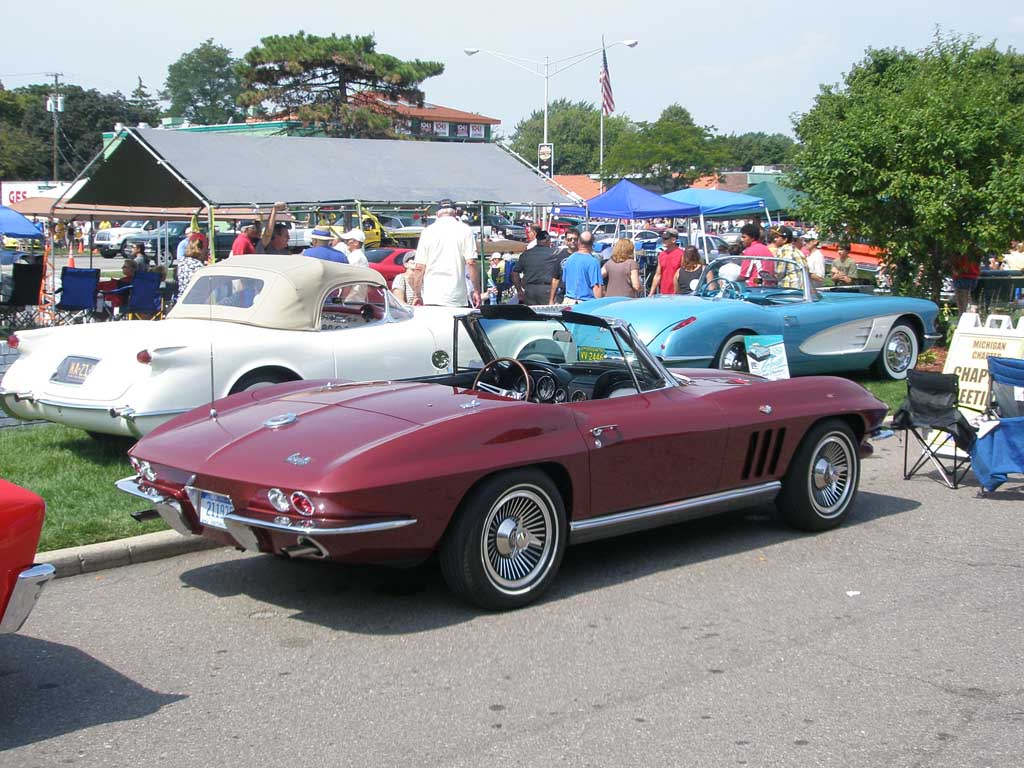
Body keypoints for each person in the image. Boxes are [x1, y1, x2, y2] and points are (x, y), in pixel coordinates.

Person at [408, 198, 480, 307]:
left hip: (432, 296)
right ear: (455, 213)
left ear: (437, 214)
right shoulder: (465, 230)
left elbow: (419, 267)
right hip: (457, 296)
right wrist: (476, 291)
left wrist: (417, 295)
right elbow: (471, 263)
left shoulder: (427, 232)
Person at [511, 229, 560, 306]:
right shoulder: (555, 253)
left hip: (529, 291)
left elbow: (514, 273)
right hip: (547, 290)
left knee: (531, 316)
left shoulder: (526, 254)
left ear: (537, 240)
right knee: (547, 315)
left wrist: (519, 290)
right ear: (548, 240)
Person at [550, 239, 604, 304]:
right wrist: (600, 304)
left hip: (568, 302)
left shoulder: (569, 259)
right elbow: (596, 287)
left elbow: (564, 280)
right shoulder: (593, 262)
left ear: (579, 243)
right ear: (592, 244)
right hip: (585, 303)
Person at [648, 228, 684, 296]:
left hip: (677, 294)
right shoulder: (661, 255)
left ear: (673, 240)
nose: (663, 241)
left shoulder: (682, 254)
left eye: (666, 239)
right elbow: (658, 275)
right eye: (663, 238)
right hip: (663, 294)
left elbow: (685, 274)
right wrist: (651, 293)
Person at [175, 233, 208, 302]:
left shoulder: (182, 262)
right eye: (206, 248)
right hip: (195, 303)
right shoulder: (198, 267)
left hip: (181, 301)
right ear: (200, 249)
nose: (208, 251)